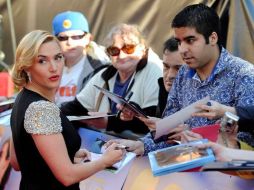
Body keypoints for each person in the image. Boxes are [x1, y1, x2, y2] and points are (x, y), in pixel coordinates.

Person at [106, 4, 254, 155]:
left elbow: (245, 143)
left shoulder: (244, 75)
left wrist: (200, 139)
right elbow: (169, 131)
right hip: (182, 169)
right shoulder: (183, 73)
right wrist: (141, 146)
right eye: (179, 41)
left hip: (225, 175)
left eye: (190, 40)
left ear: (213, 38)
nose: (182, 49)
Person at [10, 30, 123, 190]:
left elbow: (18, 161)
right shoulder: (42, 108)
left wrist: (68, 154)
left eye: (58, 57)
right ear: (26, 66)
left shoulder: (22, 98)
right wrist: (104, 161)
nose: (54, 67)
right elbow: (67, 176)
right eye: (42, 61)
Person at [61, 23, 163, 137]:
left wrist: (109, 123)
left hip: (142, 146)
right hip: (107, 144)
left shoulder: (154, 70)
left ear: (142, 48)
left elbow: (153, 120)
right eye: (114, 50)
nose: (122, 55)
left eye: (128, 48)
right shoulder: (105, 74)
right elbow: (74, 108)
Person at [52, 11, 110, 106]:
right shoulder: (47, 67)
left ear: (88, 39)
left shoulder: (101, 69)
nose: (69, 42)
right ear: (55, 41)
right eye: (63, 38)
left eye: (76, 37)